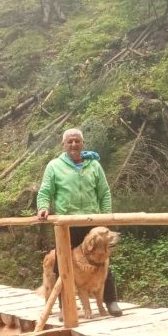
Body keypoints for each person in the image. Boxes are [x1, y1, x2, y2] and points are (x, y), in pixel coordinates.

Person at [36, 128, 123, 317]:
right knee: (62, 263)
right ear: (64, 145)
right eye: (70, 142)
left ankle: (111, 300)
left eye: (77, 141)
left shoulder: (94, 165)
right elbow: (45, 191)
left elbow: (104, 193)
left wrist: (105, 217)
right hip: (67, 225)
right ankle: (65, 306)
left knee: (102, 260)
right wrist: (43, 207)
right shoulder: (54, 166)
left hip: (92, 222)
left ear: (83, 143)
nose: (74, 145)